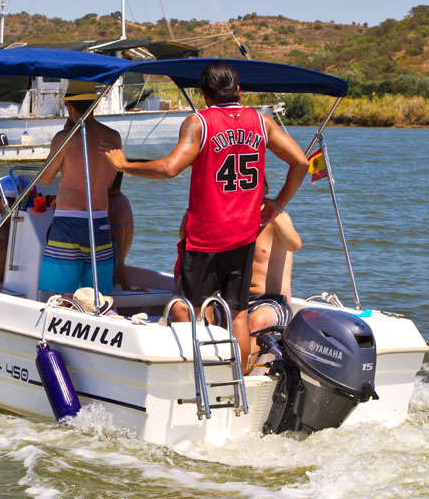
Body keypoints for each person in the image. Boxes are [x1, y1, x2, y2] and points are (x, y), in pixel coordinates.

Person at [101, 62, 308, 369]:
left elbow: (171, 168)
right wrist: (277, 203)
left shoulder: (199, 123)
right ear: (238, 91)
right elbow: (301, 163)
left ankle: (197, 375)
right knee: (238, 313)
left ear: (203, 94)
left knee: (188, 309)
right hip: (244, 234)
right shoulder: (262, 122)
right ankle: (241, 372)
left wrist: (124, 166)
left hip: (205, 236)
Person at [38, 80, 123, 298]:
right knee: (97, 292)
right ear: (94, 105)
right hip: (99, 218)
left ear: (69, 106)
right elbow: (110, 182)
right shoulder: (113, 137)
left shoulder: (65, 138)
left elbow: (45, 178)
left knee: (64, 292)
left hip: (68, 220)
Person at [246, 175, 302, 368]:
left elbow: (295, 244)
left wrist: (274, 213)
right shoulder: (235, 219)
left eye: (255, 186)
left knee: (258, 320)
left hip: (272, 303)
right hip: (238, 298)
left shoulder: (281, 219)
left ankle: (243, 378)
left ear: (266, 189)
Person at [107, 170, 136, 291]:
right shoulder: (122, 199)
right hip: (114, 274)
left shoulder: (113, 204)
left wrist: (127, 288)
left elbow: (116, 253)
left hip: (111, 277)